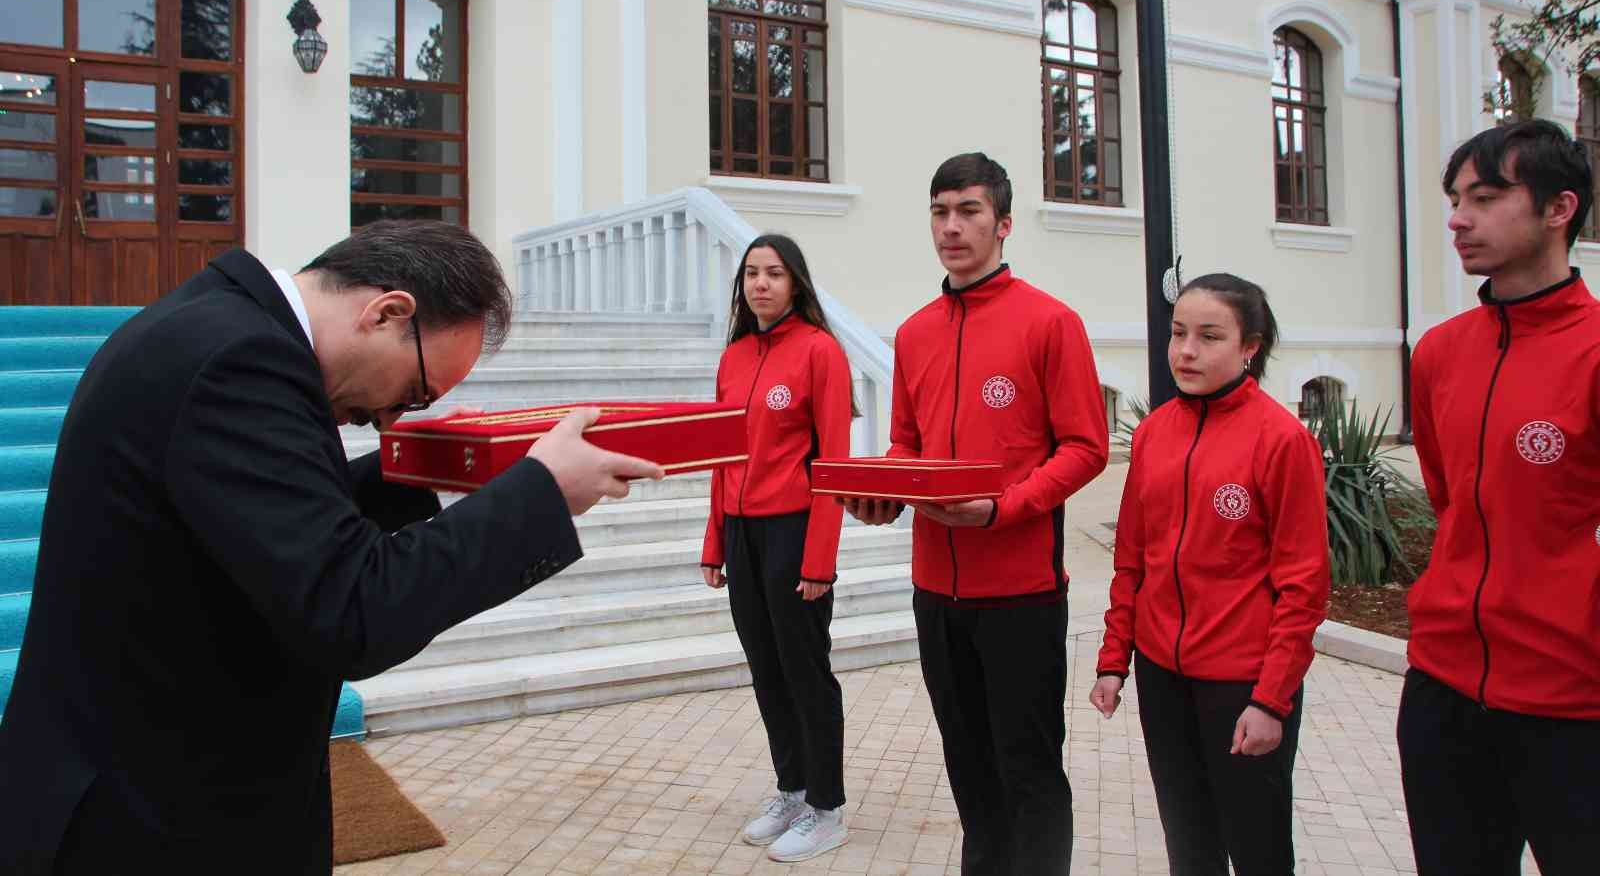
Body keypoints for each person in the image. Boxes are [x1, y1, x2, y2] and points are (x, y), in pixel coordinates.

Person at [0, 221, 663, 875]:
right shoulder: (240, 362)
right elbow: (351, 607)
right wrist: (541, 494)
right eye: (415, 393)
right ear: (386, 313)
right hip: (147, 821)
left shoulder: (213, 324)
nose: (396, 417)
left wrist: (415, 470)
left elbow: (261, 520)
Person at [844, 152, 1109, 875]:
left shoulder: (1050, 323)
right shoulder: (916, 332)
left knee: (1028, 771)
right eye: (940, 211)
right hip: (936, 592)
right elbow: (907, 444)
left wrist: (1002, 509)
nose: (951, 227)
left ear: (1004, 224)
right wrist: (884, 495)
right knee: (968, 773)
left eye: (968, 211)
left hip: (1020, 592)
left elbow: (1087, 447)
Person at [1398, 119, 1600, 876]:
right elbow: (1451, 501)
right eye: (1455, 198)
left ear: (1559, 208)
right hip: (1443, 691)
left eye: (1485, 197)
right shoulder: (1442, 352)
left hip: (1573, 707)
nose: (1457, 218)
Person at [1090, 273, 1329, 876]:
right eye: (1177, 334)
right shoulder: (1152, 434)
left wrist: (1271, 700)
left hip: (1243, 685)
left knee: (1258, 848)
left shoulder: (1282, 440)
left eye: (1209, 336)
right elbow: (1132, 560)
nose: (1186, 351)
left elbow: (1304, 587)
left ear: (1250, 347)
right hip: (1164, 679)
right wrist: (1115, 660)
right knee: (1189, 844)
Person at [700, 234, 854, 863]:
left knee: (804, 669)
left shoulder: (821, 353)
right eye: (752, 274)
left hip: (795, 529)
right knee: (765, 667)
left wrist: (819, 558)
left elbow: (835, 463)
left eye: (775, 274)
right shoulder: (734, 355)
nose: (760, 284)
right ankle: (792, 790)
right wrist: (715, 542)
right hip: (743, 532)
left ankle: (827, 807)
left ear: (797, 284)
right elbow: (718, 454)